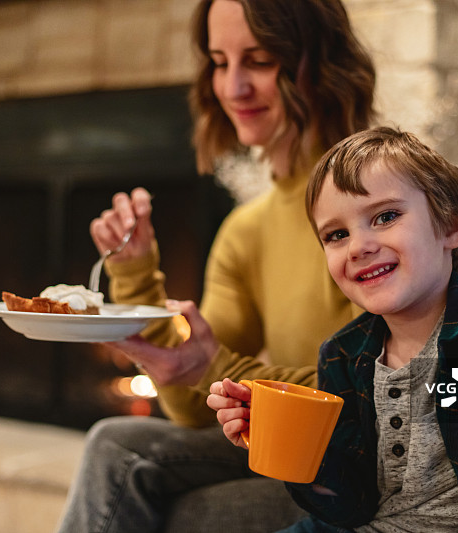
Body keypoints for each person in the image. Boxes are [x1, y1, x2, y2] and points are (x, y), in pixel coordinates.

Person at [56, 1, 377, 531]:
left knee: (185, 512)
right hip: (291, 447)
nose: (232, 88)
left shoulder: (372, 206)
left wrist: (218, 370)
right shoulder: (246, 230)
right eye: (220, 62)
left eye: (259, 60)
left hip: (365, 463)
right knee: (116, 444)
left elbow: (379, 388)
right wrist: (136, 273)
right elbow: (191, 405)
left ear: (317, 63)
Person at [209, 127, 458, 532]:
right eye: (337, 235)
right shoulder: (344, 353)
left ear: (450, 225)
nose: (358, 246)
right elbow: (349, 506)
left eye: (386, 217)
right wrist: (289, 445)